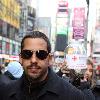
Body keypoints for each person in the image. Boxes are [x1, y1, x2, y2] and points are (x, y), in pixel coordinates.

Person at [0, 31, 86, 100]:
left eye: (41, 54)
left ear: (50, 59)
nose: (33, 60)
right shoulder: (5, 92)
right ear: (21, 58)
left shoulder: (72, 95)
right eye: (27, 54)